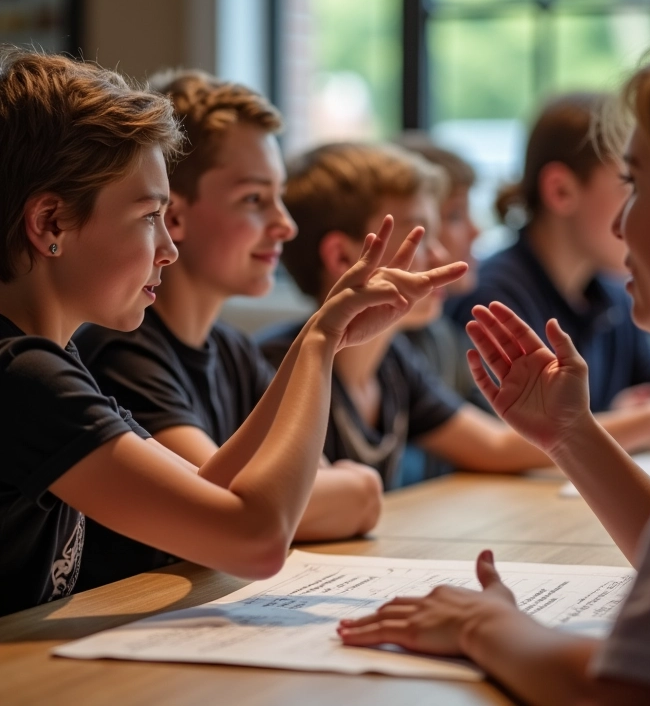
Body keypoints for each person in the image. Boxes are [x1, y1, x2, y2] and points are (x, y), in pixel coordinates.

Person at [338, 21, 650, 705]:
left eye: (638, 183)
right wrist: (572, 433)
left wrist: (486, 624)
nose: (623, 225)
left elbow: (631, 690)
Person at [0, 49, 466, 617]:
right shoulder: (24, 376)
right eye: (149, 217)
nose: (168, 249)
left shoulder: (55, 358)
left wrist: (319, 336)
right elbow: (257, 540)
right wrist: (318, 349)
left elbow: (207, 488)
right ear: (51, 223)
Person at [74, 71, 385, 591]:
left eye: (278, 196)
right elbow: (236, 513)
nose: (285, 225)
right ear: (175, 215)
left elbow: (345, 494)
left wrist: (351, 488)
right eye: (253, 199)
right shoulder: (121, 352)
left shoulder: (234, 349)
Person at [258, 141, 571, 490]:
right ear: (343, 257)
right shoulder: (276, 367)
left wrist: (623, 422)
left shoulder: (394, 362)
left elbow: (496, 447)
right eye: (418, 237)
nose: (439, 255)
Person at [447, 92, 650, 444]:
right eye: (632, 186)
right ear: (561, 190)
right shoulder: (494, 299)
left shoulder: (614, 292)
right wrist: (643, 421)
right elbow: (512, 440)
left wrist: (620, 421)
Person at [394, 132, 488, 412]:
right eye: (455, 215)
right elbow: (493, 446)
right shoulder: (391, 351)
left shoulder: (441, 335)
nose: (476, 230)